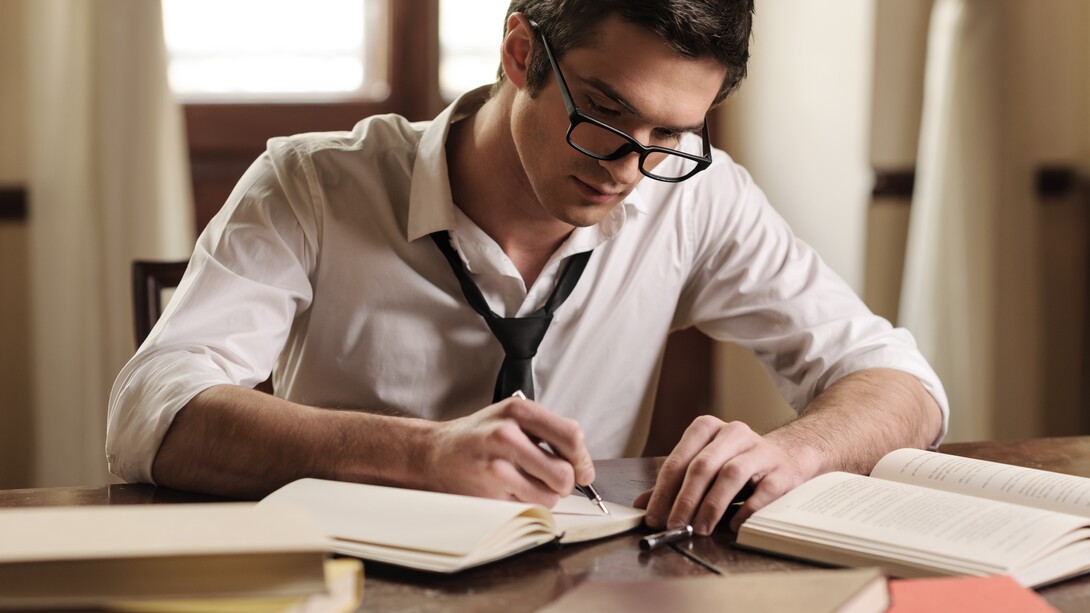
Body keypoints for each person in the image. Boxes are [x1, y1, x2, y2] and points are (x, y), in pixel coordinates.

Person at [108, 0, 947, 536]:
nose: (628, 168)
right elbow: (149, 412)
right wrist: (419, 455)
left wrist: (797, 452)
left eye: (669, 135)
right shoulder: (311, 184)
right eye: (605, 113)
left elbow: (902, 382)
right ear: (519, 52)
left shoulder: (696, 198)